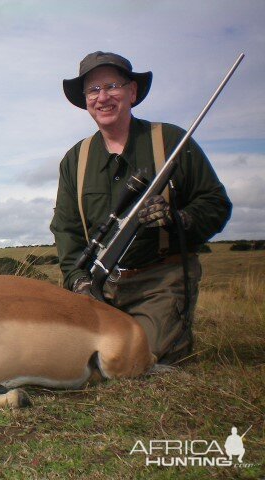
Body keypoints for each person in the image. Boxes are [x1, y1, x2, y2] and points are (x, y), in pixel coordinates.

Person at [50, 51, 232, 364]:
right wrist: (78, 281)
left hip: (159, 281)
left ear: (132, 92)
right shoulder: (75, 160)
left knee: (137, 358)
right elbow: (66, 230)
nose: (103, 97)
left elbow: (216, 203)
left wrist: (179, 219)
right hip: (99, 287)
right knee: (61, 356)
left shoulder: (172, 140)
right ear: (85, 100)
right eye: (93, 90)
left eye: (112, 86)